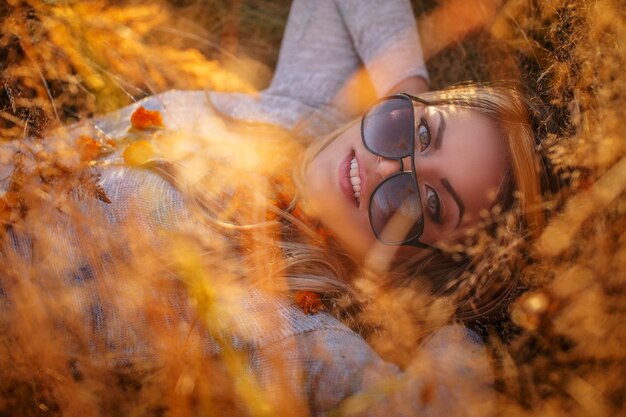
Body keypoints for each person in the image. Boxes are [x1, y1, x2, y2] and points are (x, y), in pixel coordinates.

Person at [0, 0, 545, 415]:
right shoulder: (304, 115)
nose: (384, 166)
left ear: (419, 267)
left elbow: (427, 405)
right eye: (418, 130)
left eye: (424, 201)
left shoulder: (291, 330)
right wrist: (403, 86)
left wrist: (457, 325)